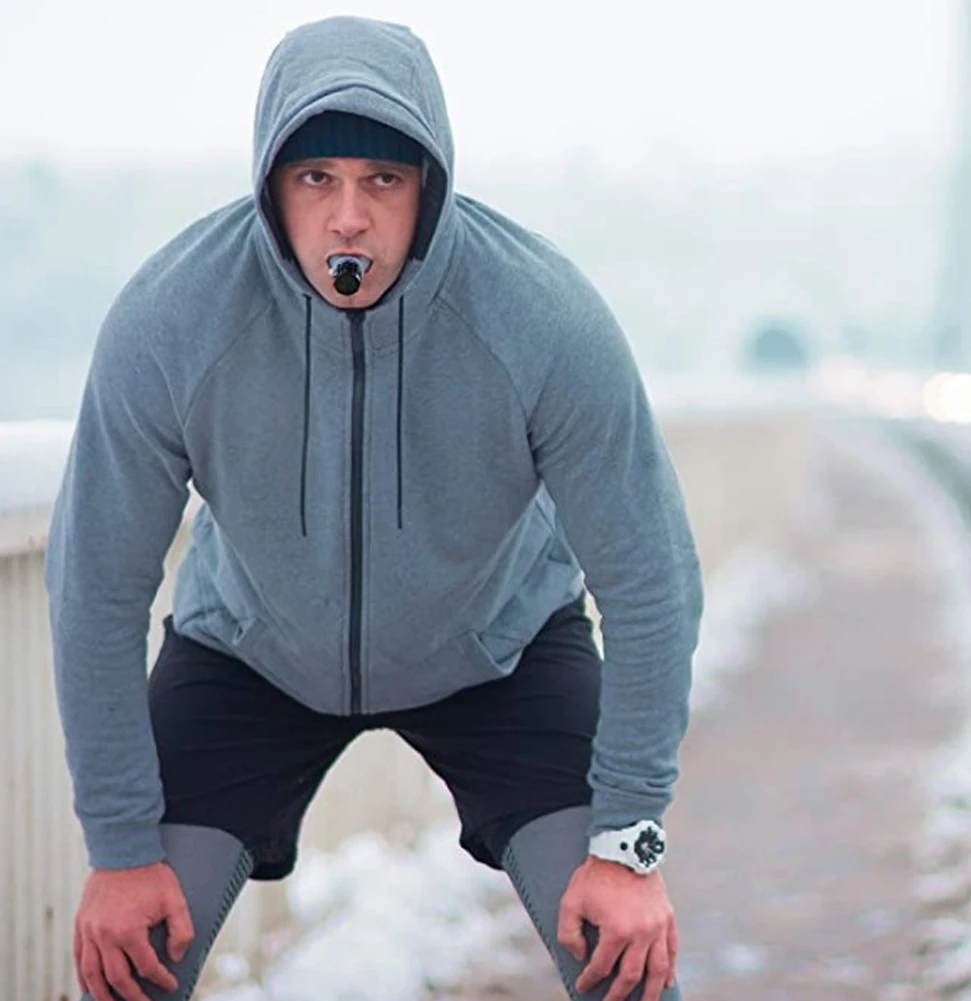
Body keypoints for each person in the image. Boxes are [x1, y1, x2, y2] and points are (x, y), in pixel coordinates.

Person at [44, 15, 703, 1001]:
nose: (348, 217)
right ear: (271, 184)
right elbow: (93, 586)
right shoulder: (173, 318)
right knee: (130, 960)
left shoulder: (542, 318)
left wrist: (627, 835)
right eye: (316, 179)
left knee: (625, 961)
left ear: (427, 186)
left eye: (381, 180)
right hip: (248, 656)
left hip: (500, 650)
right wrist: (119, 839)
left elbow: (652, 584)